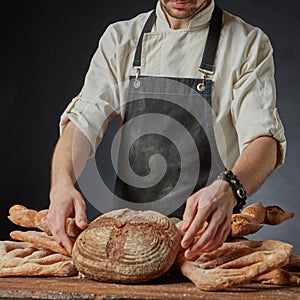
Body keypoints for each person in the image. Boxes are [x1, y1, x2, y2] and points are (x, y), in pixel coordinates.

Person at [47, 0, 286, 260]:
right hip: (126, 248)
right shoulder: (120, 39)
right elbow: (83, 123)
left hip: (206, 245)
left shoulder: (247, 44)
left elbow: (265, 142)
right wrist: (61, 184)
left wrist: (229, 189)